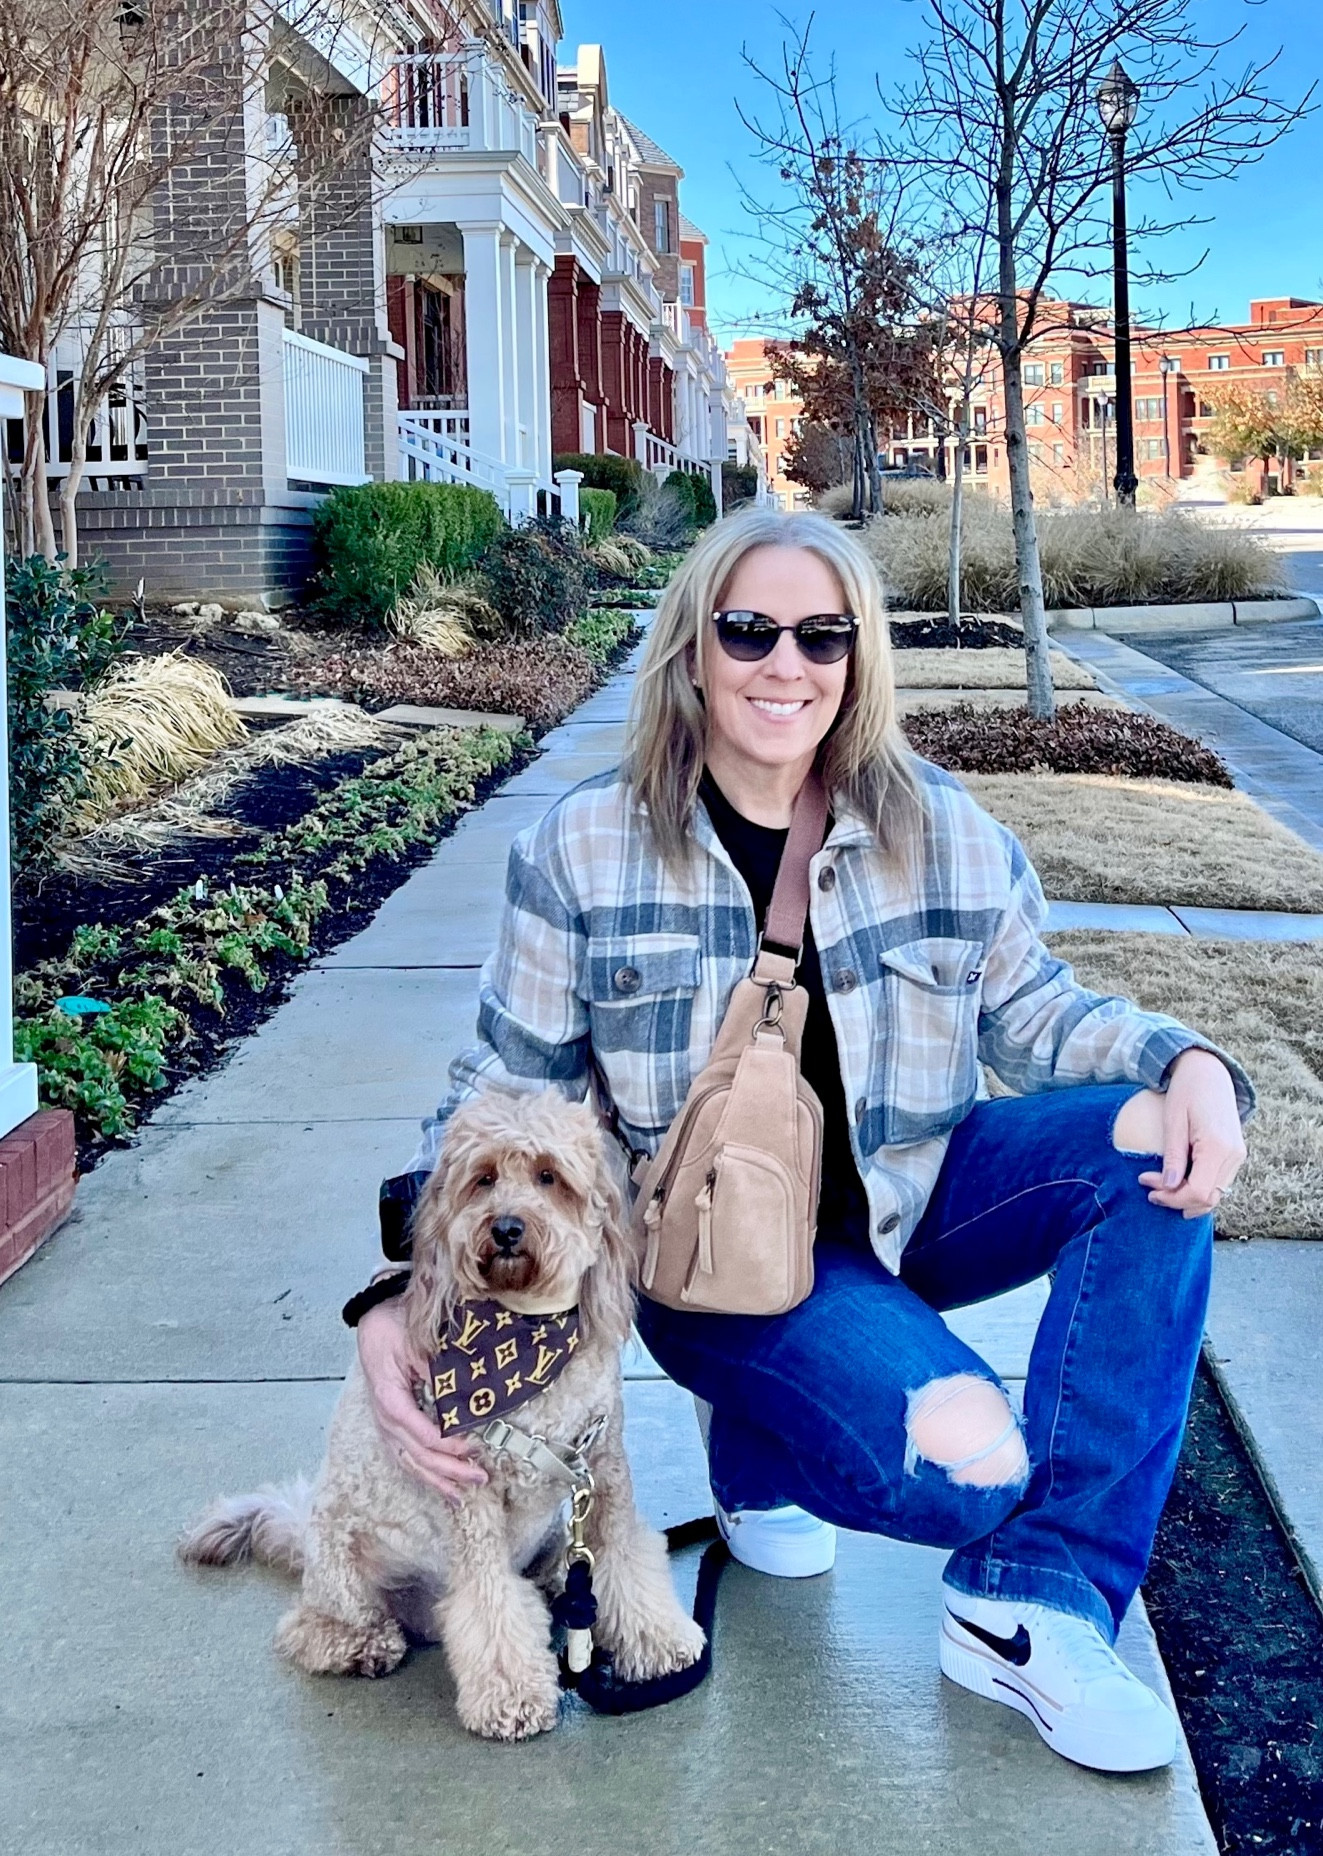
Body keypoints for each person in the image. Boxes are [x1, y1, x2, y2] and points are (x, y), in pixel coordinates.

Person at [351, 510, 1250, 1775]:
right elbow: (503, 1087)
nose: (788, 663)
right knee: (970, 1462)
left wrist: (1186, 1057)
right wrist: (399, 1287)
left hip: (913, 1194)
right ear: (694, 649)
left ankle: (1033, 1600)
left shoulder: (939, 824)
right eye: (750, 630)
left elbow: (1036, 1010)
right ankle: (764, 1437)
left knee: (1152, 1148)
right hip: (713, 1258)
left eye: (823, 634)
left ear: (858, 653)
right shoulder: (585, 844)